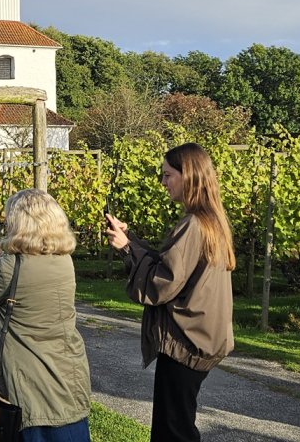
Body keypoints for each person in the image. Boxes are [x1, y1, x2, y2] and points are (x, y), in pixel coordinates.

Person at [105, 142, 234, 442]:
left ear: (187, 175)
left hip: (185, 342)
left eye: (167, 174)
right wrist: (132, 240)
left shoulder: (193, 225)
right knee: (178, 425)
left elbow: (162, 284)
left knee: (172, 431)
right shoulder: (211, 220)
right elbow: (171, 265)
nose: (163, 182)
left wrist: (126, 249)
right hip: (201, 340)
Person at [0, 188, 92, 442]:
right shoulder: (63, 260)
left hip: (30, 390)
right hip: (66, 380)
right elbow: (22, 280)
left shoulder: (10, 267)